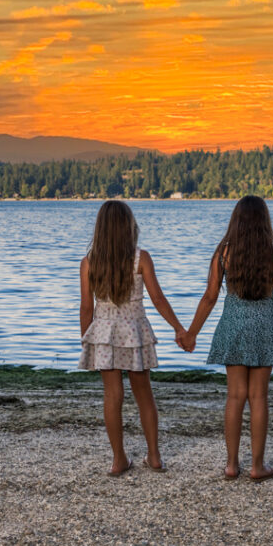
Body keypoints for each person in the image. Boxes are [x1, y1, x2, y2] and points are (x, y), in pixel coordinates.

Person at [180, 196, 273, 482]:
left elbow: (210, 297)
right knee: (259, 396)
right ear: (264, 222)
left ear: (235, 222)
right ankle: (257, 466)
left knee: (235, 396)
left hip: (233, 326)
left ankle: (231, 465)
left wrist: (191, 333)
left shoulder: (223, 253)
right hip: (265, 327)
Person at [79, 201, 186, 476]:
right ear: (129, 227)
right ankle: (154, 456)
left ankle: (118, 460)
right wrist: (178, 328)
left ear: (100, 229)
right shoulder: (141, 259)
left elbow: (86, 308)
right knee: (144, 395)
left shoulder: (89, 262)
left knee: (112, 396)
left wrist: (86, 341)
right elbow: (158, 299)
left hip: (104, 333)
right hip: (135, 332)